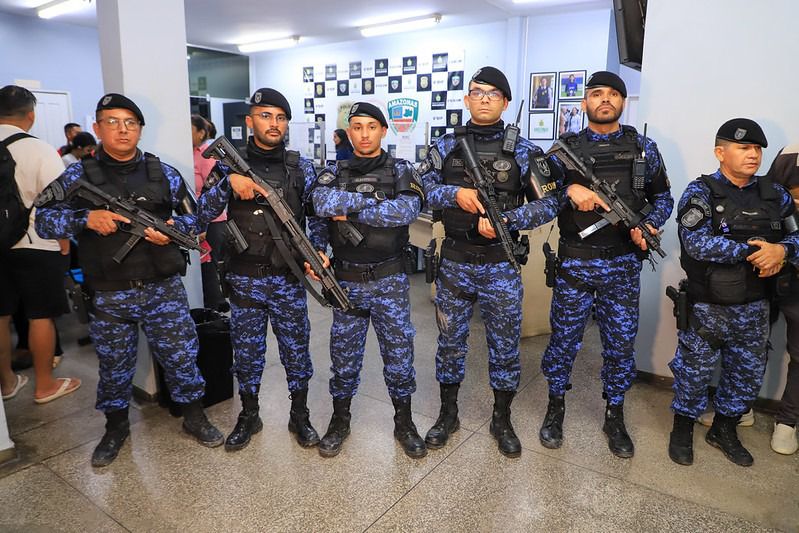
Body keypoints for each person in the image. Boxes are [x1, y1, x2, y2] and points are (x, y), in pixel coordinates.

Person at [35, 93, 223, 467]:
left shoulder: (164, 172)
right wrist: (84, 220)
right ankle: (116, 426)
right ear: (97, 128)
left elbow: (195, 221)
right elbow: (43, 220)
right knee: (114, 364)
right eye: (113, 122)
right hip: (109, 290)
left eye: (130, 123)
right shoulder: (77, 175)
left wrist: (170, 231)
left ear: (140, 129)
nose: (123, 130)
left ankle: (194, 416)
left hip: (162, 287)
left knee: (181, 358)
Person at [419, 67, 562, 458]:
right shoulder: (446, 145)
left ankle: (502, 418)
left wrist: (508, 221)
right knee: (449, 344)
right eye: (477, 92)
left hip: (500, 264)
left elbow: (550, 202)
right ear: (466, 99)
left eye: (493, 93)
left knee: (504, 347)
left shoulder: (525, 150)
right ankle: (448, 415)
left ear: (506, 102)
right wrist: (453, 195)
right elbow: (418, 187)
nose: (484, 98)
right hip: (454, 264)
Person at [540, 71, 673, 459]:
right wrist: (569, 189)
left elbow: (663, 196)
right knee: (564, 340)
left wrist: (648, 224)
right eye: (596, 94)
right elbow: (540, 194)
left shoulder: (642, 147)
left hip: (622, 266)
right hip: (575, 265)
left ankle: (614, 413)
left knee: (619, 344)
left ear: (623, 103)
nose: (605, 100)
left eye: (613, 94)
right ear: (585, 102)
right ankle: (555, 406)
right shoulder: (564, 147)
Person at [196, 88, 324, 451]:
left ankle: (299, 414)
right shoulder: (225, 166)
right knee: (247, 353)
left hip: (287, 277)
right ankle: (249, 415)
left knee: (296, 350)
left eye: (281, 117)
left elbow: (315, 216)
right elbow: (201, 214)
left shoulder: (301, 166)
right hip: (244, 277)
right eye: (266, 116)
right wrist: (227, 185)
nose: (274, 124)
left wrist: (317, 251)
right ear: (250, 120)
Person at [667, 119, 799, 467]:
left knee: (745, 375)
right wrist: (756, 251)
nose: (753, 155)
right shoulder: (701, 192)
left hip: (755, 308)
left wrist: (783, 252)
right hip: (708, 307)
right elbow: (694, 242)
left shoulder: (776, 195)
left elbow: (796, 236)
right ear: (720, 152)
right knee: (693, 372)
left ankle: (724, 429)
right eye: (743, 148)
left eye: (757, 149)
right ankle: (682, 427)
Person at [312, 102, 426, 459]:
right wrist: (318, 247)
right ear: (349, 132)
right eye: (356, 127)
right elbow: (319, 205)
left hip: (389, 278)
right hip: (346, 280)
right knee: (343, 356)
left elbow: (406, 210)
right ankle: (340, 420)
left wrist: (351, 207)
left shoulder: (401, 169)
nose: (363, 134)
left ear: (383, 131)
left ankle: (404, 421)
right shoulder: (334, 170)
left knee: (399, 354)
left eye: (371, 127)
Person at [0, 85, 81, 404]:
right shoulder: (41, 149)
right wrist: (63, 242)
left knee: (1, 316)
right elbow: (57, 203)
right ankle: (45, 384)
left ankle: (6, 382)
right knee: (40, 315)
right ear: (31, 115)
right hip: (36, 243)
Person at [765, 143, 799, 455]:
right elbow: (767, 201)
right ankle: (740, 406)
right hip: (772, 266)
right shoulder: (792, 152)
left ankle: (787, 423)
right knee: (753, 342)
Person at [191, 114, 227, 312]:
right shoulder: (191, 153)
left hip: (212, 221)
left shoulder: (206, 156)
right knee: (205, 266)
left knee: (209, 265)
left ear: (201, 133)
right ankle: (214, 303)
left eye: (190, 129)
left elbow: (213, 192)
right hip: (198, 218)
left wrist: (204, 225)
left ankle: (213, 309)